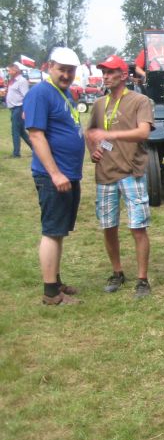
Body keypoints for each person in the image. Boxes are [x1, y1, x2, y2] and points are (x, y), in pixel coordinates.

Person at [86, 55, 155, 298]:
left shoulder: (140, 100)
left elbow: (143, 132)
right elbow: (90, 131)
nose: (105, 75)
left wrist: (112, 136)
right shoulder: (98, 104)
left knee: (138, 227)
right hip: (105, 174)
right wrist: (93, 150)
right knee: (108, 227)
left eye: (110, 71)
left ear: (123, 75)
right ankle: (117, 273)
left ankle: (142, 279)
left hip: (131, 172)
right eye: (103, 71)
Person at [23, 47, 84, 305]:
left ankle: (55, 281)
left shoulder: (64, 93)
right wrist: (56, 173)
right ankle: (51, 294)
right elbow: (36, 134)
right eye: (62, 69)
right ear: (50, 67)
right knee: (51, 230)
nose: (67, 75)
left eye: (71, 71)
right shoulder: (40, 93)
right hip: (54, 176)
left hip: (68, 174)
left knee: (59, 231)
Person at [6, 62, 33, 157]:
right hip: (13, 109)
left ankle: (16, 153)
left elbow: (26, 97)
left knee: (15, 131)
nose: (8, 72)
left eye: (9, 70)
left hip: (19, 108)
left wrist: (25, 110)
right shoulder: (12, 81)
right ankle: (36, 148)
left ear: (15, 70)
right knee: (21, 131)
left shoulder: (22, 81)